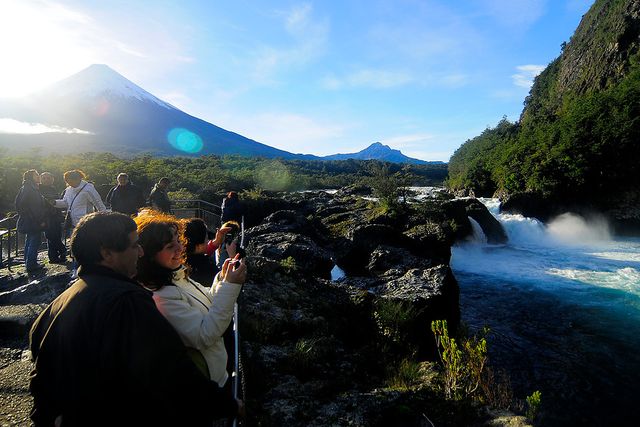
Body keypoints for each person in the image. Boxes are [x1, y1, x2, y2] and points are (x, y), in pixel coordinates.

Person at [29, 212, 241, 427]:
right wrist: (228, 404)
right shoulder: (127, 302)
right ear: (107, 253)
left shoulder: (56, 306)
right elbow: (168, 371)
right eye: (134, 245)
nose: (140, 252)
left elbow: (41, 377)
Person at [134, 210, 246, 389]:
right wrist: (231, 286)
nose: (180, 248)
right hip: (208, 385)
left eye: (178, 241)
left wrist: (223, 280)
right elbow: (203, 335)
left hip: (216, 374)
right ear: (148, 254)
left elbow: (207, 299)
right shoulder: (161, 295)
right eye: (170, 246)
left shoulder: (176, 276)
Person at [15, 170, 47, 272]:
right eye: (36, 175)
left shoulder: (27, 187)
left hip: (30, 219)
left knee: (29, 241)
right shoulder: (30, 189)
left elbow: (19, 204)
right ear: (31, 177)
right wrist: (38, 220)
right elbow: (28, 206)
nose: (38, 177)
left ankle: (28, 262)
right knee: (34, 241)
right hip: (33, 220)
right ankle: (31, 265)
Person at [184, 218, 231, 286]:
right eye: (206, 238)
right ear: (198, 245)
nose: (208, 241)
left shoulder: (180, 259)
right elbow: (224, 286)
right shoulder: (206, 269)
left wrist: (216, 243)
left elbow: (199, 252)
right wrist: (233, 258)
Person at [39, 172, 66, 263]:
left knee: (56, 237)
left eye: (49, 178)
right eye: (44, 178)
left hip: (56, 217)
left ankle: (54, 257)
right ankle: (62, 251)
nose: (47, 180)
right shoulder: (39, 189)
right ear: (40, 179)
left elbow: (58, 202)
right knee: (51, 237)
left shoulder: (53, 189)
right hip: (47, 217)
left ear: (52, 179)